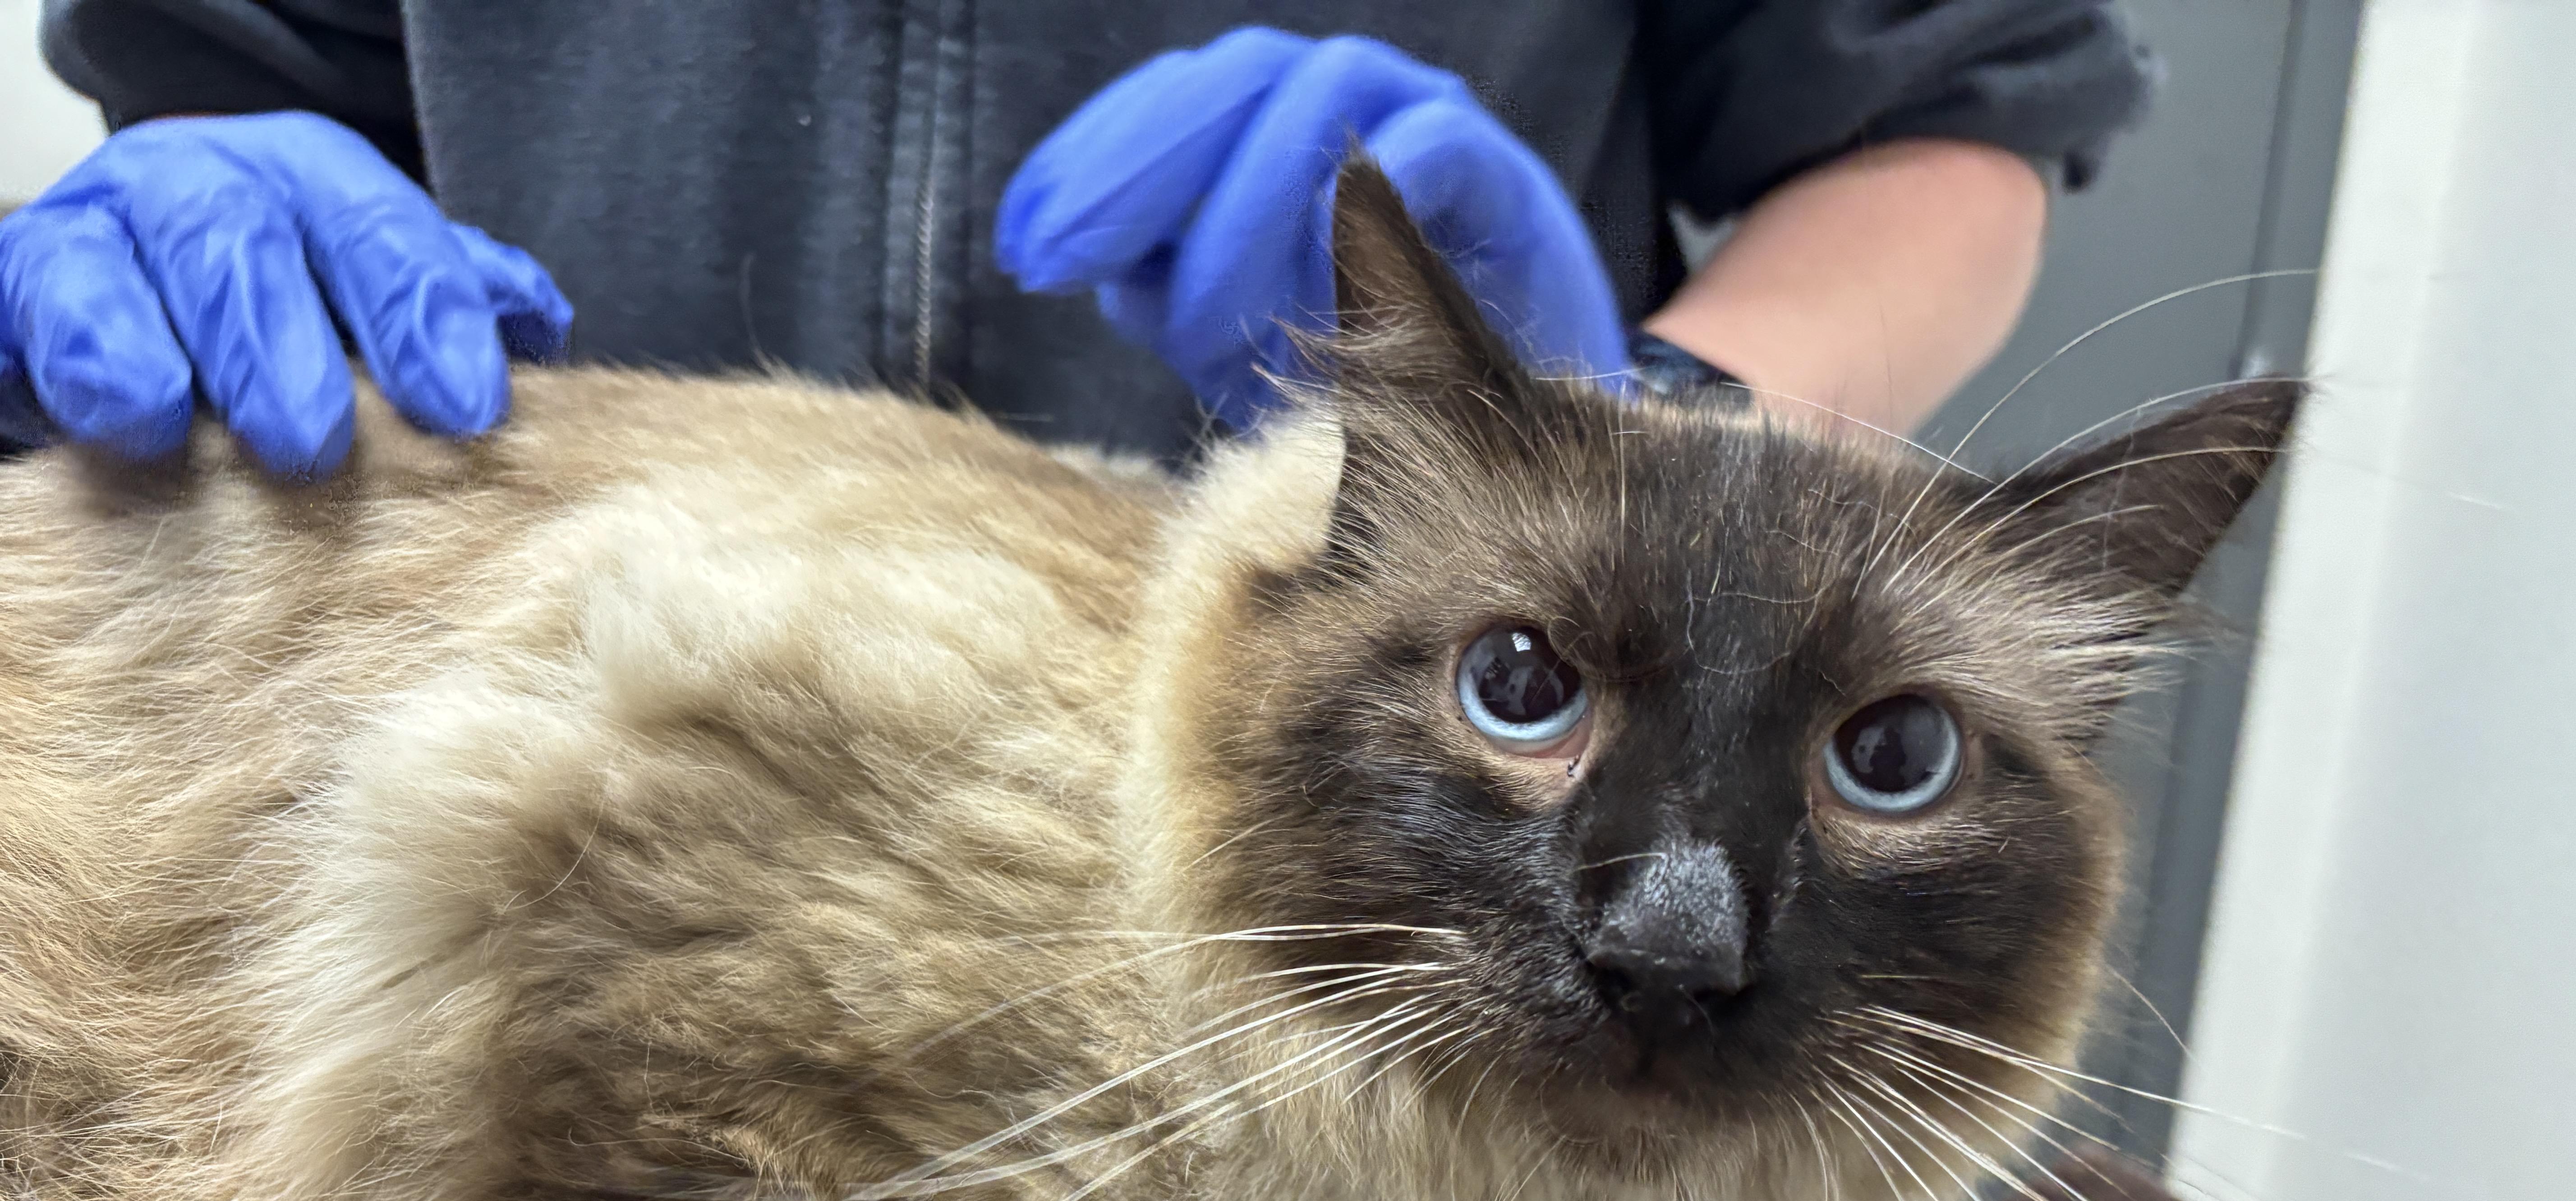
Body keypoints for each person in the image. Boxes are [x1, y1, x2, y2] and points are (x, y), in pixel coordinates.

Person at [7, 1, 2151, 476]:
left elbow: (1945, 129)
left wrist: (1642, 441)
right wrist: (211, 198)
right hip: (542, 763)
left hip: (1345, 883)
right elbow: (245, 87)